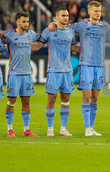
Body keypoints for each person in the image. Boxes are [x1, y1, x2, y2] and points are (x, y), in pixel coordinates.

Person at [48, 1, 110, 136]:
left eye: (99, 11)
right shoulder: (82, 25)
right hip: (86, 65)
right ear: (89, 12)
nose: (98, 13)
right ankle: (87, 128)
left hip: (99, 65)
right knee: (87, 96)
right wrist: (54, 24)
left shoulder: (104, 26)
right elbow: (65, 26)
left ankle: (91, 128)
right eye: (95, 11)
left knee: (95, 97)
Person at [33, 8, 77, 137]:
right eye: (63, 15)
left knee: (66, 100)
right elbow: (37, 46)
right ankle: (50, 129)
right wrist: (20, 47)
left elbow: (73, 47)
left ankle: (63, 129)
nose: (66, 17)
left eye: (67, 15)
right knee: (51, 98)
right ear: (56, 17)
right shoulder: (49, 30)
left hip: (68, 71)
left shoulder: (71, 31)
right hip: (53, 70)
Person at [1, 12, 40, 137]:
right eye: (23, 21)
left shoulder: (31, 34)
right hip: (14, 73)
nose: (26, 24)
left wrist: (52, 26)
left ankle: (26, 130)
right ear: (17, 22)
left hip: (27, 74)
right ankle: (9, 129)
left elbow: (43, 37)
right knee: (11, 100)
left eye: (27, 21)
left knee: (26, 101)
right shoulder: (10, 35)